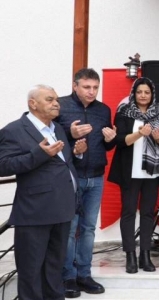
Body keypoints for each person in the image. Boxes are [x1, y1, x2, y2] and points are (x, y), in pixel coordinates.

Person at [0, 85, 86, 300]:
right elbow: (3, 166)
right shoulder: (14, 130)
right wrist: (38, 154)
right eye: (49, 99)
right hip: (34, 213)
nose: (56, 103)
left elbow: (61, 164)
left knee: (54, 269)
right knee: (31, 272)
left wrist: (76, 153)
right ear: (33, 103)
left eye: (56, 99)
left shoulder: (57, 128)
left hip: (62, 210)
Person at [56, 68, 116, 298]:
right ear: (75, 86)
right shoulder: (60, 106)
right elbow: (52, 139)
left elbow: (105, 144)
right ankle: (68, 276)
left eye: (95, 87)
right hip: (70, 177)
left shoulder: (103, 109)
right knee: (70, 228)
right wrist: (70, 135)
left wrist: (111, 141)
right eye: (86, 87)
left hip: (96, 176)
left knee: (89, 228)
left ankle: (84, 274)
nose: (92, 92)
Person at [107, 77, 159, 273]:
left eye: (147, 92)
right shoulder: (124, 112)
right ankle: (130, 256)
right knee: (128, 213)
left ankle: (145, 255)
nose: (143, 96)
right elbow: (119, 141)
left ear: (152, 95)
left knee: (147, 214)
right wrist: (140, 134)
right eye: (139, 92)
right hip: (130, 171)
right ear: (134, 94)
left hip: (152, 172)